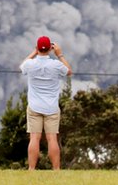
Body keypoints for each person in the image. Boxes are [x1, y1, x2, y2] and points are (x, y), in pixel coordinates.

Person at [19, 35, 72, 170]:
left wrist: (34, 52)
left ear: (37, 48)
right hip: (52, 108)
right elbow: (69, 72)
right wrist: (59, 54)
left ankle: (31, 169)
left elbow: (22, 66)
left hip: (34, 107)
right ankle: (56, 169)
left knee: (34, 139)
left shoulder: (30, 64)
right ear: (50, 48)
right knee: (52, 139)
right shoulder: (55, 65)